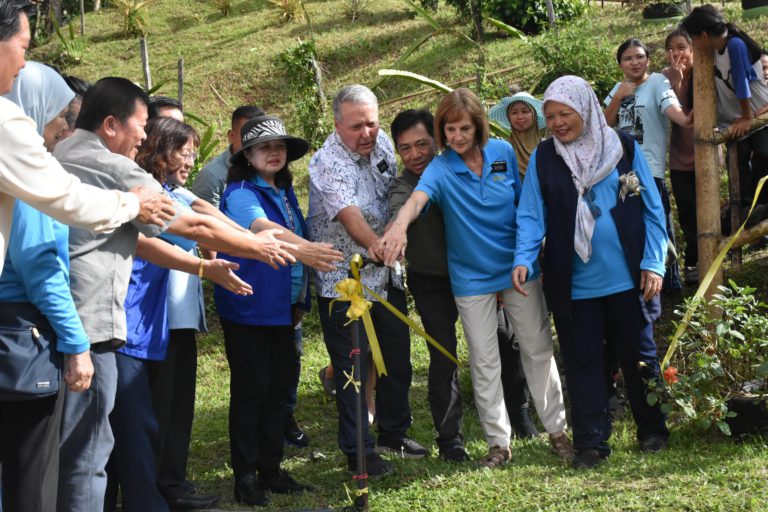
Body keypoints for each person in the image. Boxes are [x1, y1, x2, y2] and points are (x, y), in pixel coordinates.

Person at [54, 77, 300, 512]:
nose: (144, 136)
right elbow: (192, 225)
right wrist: (257, 247)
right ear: (111, 124)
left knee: (104, 439)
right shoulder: (114, 167)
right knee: (94, 450)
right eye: (141, 124)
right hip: (95, 325)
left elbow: (163, 232)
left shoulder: (61, 154)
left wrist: (210, 263)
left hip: (72, 321)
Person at [381, 88, 572, 469]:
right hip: (471, 278)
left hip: (518, 270)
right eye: (449, 130)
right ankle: (498, 444)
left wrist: (526, 256)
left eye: (464, 128)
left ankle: (558, 432)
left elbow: (524, 208)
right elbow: (416, 201)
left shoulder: (502, 152)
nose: (457, 137)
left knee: (537, 349)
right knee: (484, 361)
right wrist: (398, 228)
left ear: (479, 126)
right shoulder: (440, 169)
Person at [512, 75, 671, 469]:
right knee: (582, 363)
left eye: (564, 113)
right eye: (550, 116)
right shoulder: (545, 158)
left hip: (628, 279)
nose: (557, 123)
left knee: (639, 358)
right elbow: (531, 215)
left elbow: (652, 210)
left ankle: (652, 430)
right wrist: (524, 258)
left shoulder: (623, 148)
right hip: (576, 286)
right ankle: (591, 443)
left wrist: (653, 262)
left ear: (585, 108)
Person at [106, 117, 252, 512]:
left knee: (150, 419)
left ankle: (153, 492)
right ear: (159, 150)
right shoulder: (147, 197)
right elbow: (199, 228)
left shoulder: (169, 191)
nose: (190, 161)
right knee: (134, 426)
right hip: (128, 323)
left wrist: (260, 241)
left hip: (150, 323)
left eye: (192, 154)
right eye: (183, 153)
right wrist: (255, 248)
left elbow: (207, 215)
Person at [216, 115, 342, 506]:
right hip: (250, 306)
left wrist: (300, 298)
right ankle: (245, 476)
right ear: (247, 155)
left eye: (279, 147)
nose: (274, 153)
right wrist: (306, 250)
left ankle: (271, 469)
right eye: (264, 147)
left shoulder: (284, 191)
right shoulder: (240, 192)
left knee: (278, 390)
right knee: (252, 391)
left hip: (284, 309)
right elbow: (261, 228)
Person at [0, 1, 173, 275]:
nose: (23, 63)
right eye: (23, 47)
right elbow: (67, 198)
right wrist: (132, 203)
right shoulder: (5, 123)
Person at [307, 84, 427, 477]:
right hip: (345, 280)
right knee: (353, 370)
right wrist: (377, 244)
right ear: (337, 125)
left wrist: (396, 233)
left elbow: (395, 192)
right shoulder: (327, 163)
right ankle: (359, 449)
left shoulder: (383, 144)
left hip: (386, 273)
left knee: (396, 358)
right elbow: (349, 216)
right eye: (356, 126)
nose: (367, 133)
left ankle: (394, 431)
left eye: (372, 124)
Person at [0, 59, 87, 512]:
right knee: (31, 476)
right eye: (60, 114)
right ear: (32, 108)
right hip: (24, 337)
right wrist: (76, 343)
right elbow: (43, 271)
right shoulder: (27, 179)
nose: (64, 127)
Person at [604, 38, 692, 293]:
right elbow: (604, 124)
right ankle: (639, 281)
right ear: (620, 64)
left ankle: (669, 283)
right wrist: (618, 97)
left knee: (658, 221)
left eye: (640, 57)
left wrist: (687, 119)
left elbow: (672, 109)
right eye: (628, 58)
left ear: (648, 60)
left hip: (650, 170)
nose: (634, 62)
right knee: (633, 223)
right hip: (623, 173)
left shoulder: (657, 82)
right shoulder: (618, 88)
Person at [681, 5, 768, 217]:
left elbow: (741, 83)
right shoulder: (714, 51)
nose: (694, 44)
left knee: (763, 157)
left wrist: (747, 117)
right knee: (738, 169)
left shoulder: (735, 45)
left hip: (756, 117)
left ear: (704, 35)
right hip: (734, 122)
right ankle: (745, 211)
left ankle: (760, 207)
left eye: (694, 38)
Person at [662, 29, 699, 285]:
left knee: (706, 209)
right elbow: (672, 112)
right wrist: (676, 81)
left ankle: (709, 258)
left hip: (705, 153)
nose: (677, 53)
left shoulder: (704, 73)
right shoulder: (663, 77)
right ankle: (693, 262)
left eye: (682, 47)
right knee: (686, 211)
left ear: (693, 49)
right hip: (678, 158)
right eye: (671, 48)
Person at [191, 105, 265, 207]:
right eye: (248, 136)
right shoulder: (212, 176)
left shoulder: (269, 167)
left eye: (261, 136)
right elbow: (206, 216)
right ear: (231, 136)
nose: (254, 142)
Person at [488, 91, 546, 179]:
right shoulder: (502, 149)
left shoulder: (547, 148)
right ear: (509, 117)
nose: (520, 117)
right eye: (514, 113)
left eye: (525, 111)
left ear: (534, 115)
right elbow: (497, 179)